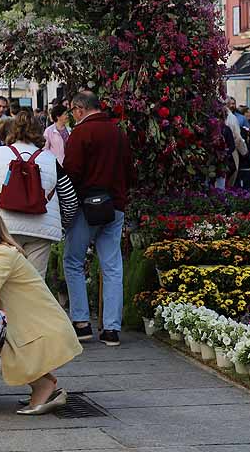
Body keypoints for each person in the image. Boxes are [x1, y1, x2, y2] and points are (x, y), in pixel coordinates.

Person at [0, 211, 82, 414]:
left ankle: (43, 387)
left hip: (41, 330)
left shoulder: (2, 253)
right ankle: (44, 384)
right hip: (37, 326)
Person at [61, 91, 137, 348]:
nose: (72, 116)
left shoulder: (81, 134)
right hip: (114, 206)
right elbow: (130, 171)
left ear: (79, 109)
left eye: (72, 111)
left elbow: (71, 172)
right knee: (112, 265)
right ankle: (112, 329)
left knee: (73, 260)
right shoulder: (118, 132)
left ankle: (82, 323)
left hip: (86, 206)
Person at [0, 111, 78, 277]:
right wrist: (63, 224)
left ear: (12, 131)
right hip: (40, 231)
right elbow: (70, 199)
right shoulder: (50, 160)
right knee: (34, 285)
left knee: (0, 281)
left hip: (2, 229)